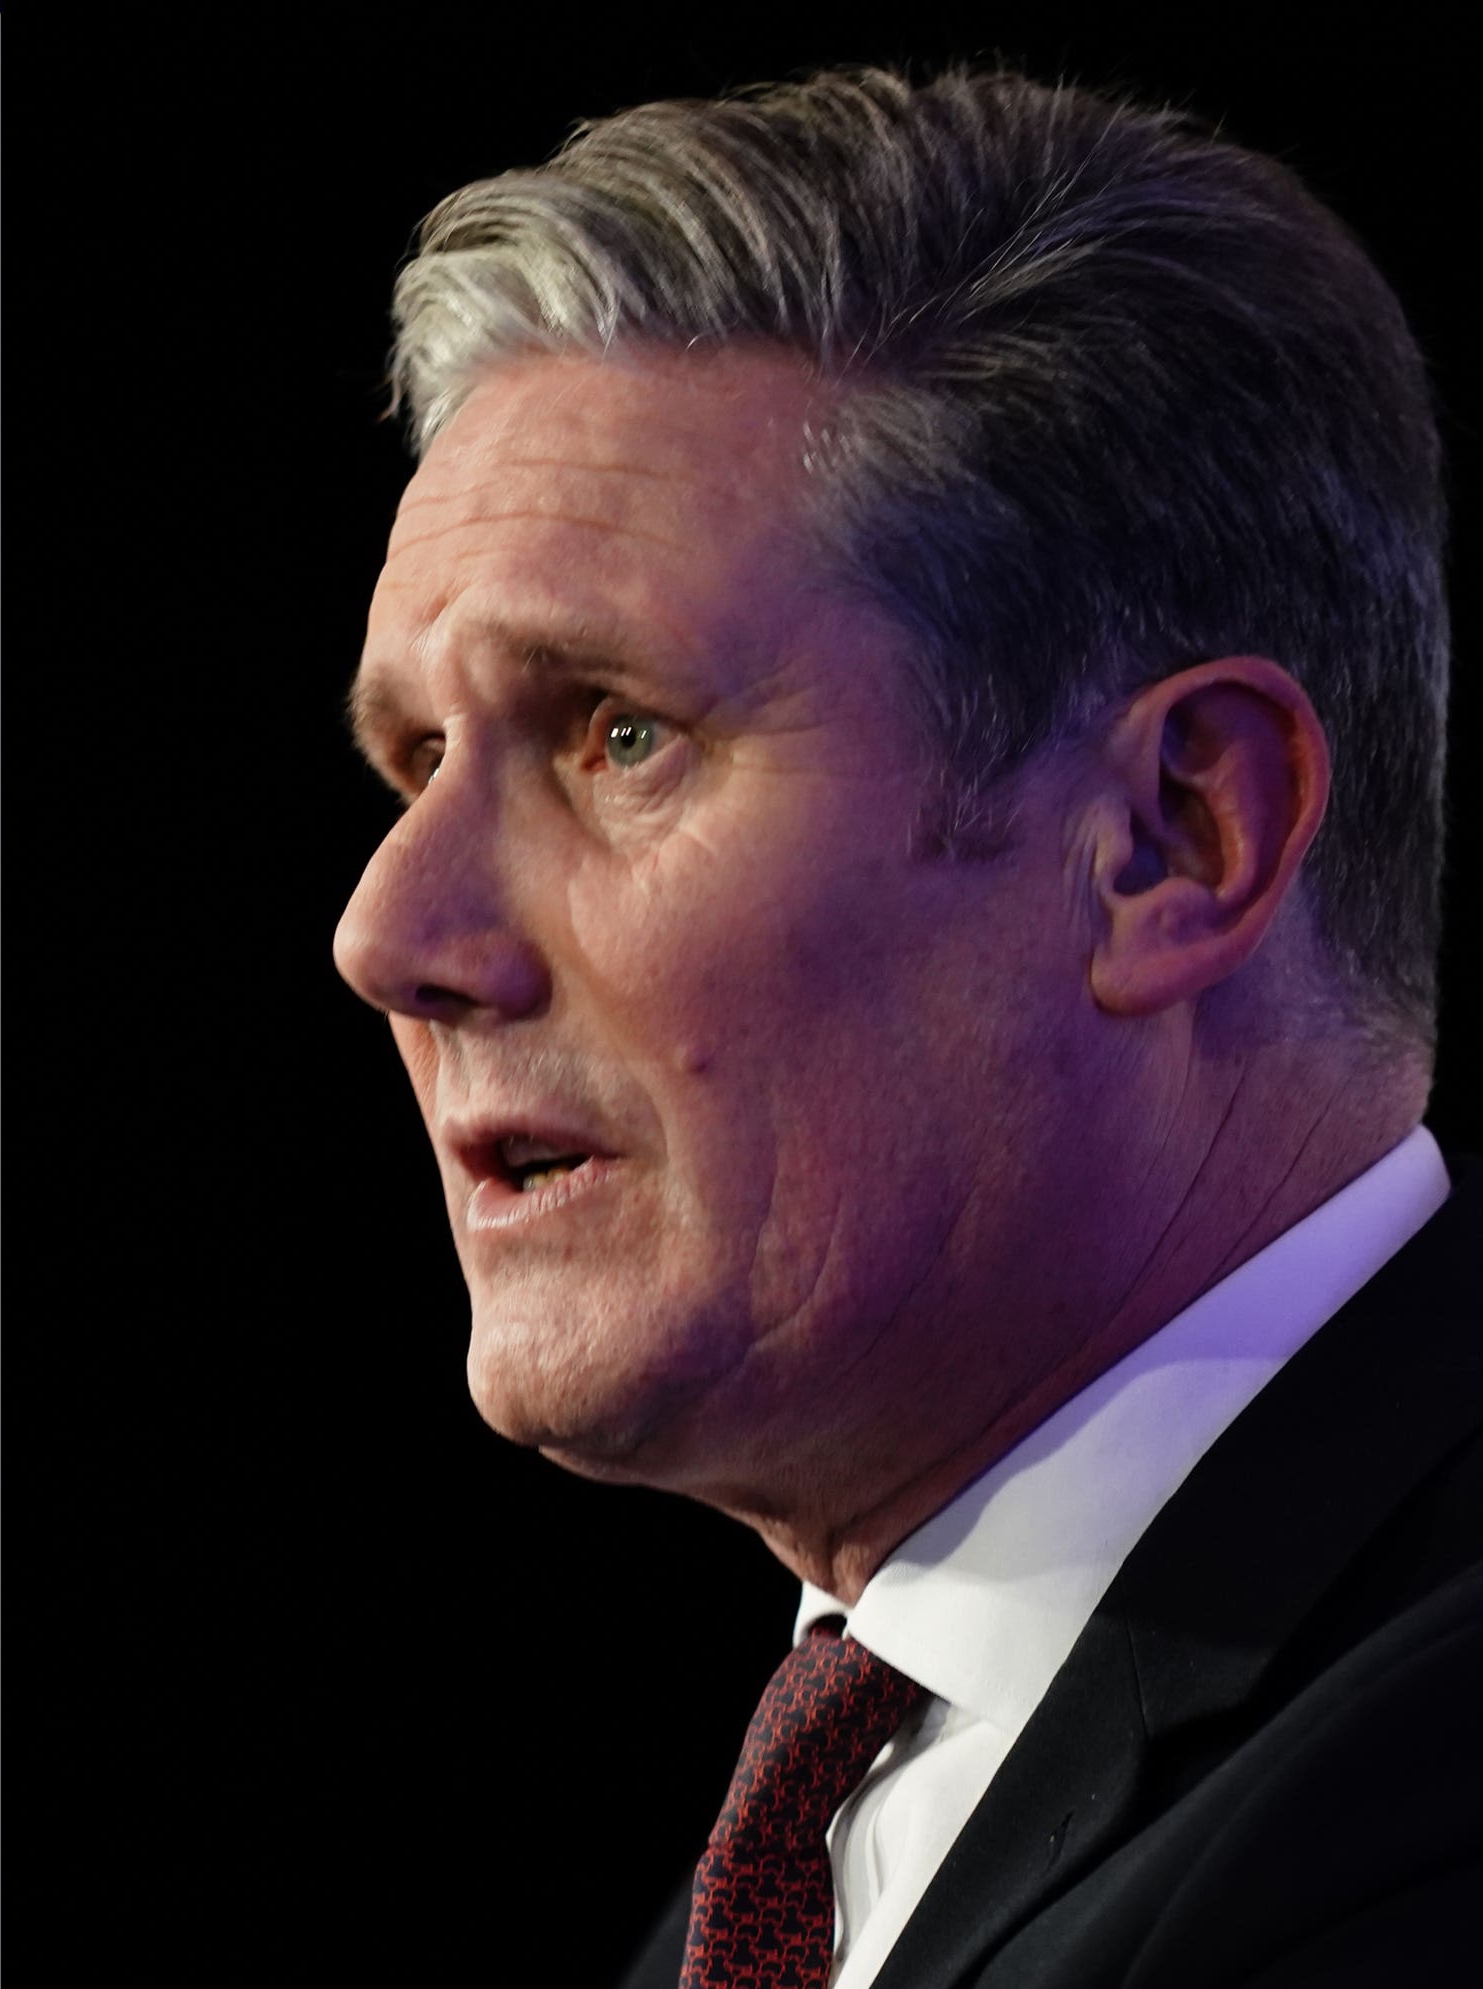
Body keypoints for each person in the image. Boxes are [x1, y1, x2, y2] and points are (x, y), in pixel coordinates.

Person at [332, 67, 1475, 1987]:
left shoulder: (1417, 1812)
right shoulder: (803, 1859)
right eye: (413, 762)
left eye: (617, 733)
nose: (392, 934)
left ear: (1176, 835)